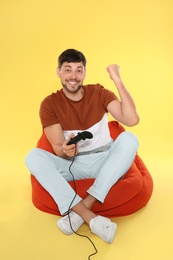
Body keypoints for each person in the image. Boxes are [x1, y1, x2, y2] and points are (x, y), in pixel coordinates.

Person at [25, 48, 140, 244]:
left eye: (79, 70)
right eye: (68, 70)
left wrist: (118, 80)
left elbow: (132, 119)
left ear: (85, 73)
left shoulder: (99, 92)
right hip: (75, 164)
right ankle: (91, 219)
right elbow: (57, 148)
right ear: (59, 72)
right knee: (33, 157)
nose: (73, 76)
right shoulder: (49, 104)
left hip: (106, 160)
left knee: (130, 139)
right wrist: (66, 151)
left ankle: (80, 211)